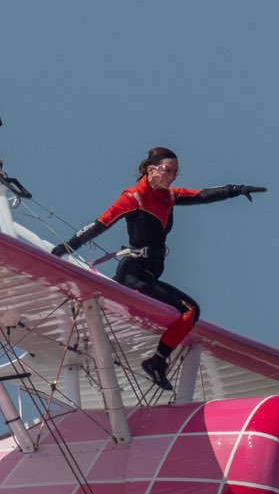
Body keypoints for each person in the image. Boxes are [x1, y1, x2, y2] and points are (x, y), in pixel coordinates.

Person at [52, 147, 264, 391]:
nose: (171, 176)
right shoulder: (134, 197)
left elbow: (202, 195)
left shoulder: (169, 196)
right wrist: (65, 247)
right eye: (167, 170)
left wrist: (235, 190)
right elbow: (100, 224)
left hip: (149, 274)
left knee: (187, 312)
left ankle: (154, 360)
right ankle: (156, 362)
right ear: (150, 169)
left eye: (176, 172)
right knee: (190, 311)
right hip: (134, 275)